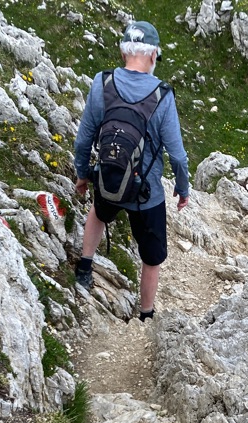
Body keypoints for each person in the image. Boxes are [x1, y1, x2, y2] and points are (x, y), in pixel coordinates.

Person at [73, 20, 190, 322]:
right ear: (152, 55)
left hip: (109, 180)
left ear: (124, 52)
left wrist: (83, 174)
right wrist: (182, 189)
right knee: (151, 258)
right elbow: (177, 156)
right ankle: (146, 316)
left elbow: (84, 138)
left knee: (99, 213)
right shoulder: (162, 95)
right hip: (146, 194)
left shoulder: (103, 83)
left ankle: (84, 267)